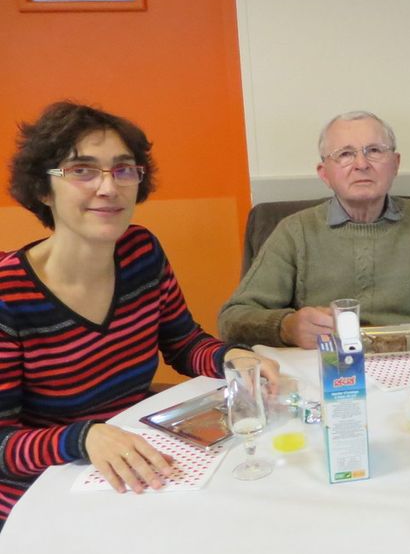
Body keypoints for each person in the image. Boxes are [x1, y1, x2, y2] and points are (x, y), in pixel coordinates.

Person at [0, 101, 277, 528]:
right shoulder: (8, 294)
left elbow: (183, 343)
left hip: (141, 462)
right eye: (82, 171)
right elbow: (2, 445)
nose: (108, 188)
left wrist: (231, 359)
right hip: (45, 493)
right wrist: (85, 437)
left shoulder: (141, 251)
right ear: (42, 189)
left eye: (123, 169)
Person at [218, 111, 410, 349]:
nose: (362, 164)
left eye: (374, 150)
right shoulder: (295, 231)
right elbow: (232, 319)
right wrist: (286, 326)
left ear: (395, 164)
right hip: (326, 369)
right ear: (324, 173)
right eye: (346, 154)